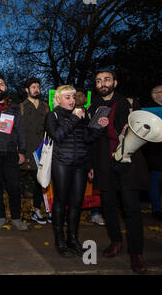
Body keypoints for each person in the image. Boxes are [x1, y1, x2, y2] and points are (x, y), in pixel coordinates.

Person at [89, 67, 150, 274]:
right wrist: (91, 165)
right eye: (98, 81)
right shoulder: (94, 106)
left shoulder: (130, 104)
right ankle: (116, 241)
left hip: (127, 163)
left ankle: (136, 252)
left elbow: (146, 133)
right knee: (108, 206)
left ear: (115, 83)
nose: (102, 84)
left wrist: (125, 129)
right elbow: (91, 139)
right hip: (104, 164)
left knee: (131, 208)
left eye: (106, 80)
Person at [46, 85, 104, 257]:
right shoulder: (52, 115)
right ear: (58, 99)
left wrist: (98, 128)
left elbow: (86, 140)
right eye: (68, 97)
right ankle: (60, 240)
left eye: (73, 97)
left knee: (76, 203)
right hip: (62, 163)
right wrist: (73, 119)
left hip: (80, 165)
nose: (72, 100)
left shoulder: (81, 115)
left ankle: (73, 239)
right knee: (60, 201)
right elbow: (57, 135)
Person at [0, 76, 28, 230]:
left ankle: (16, 218)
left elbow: (21, 131)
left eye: (2, 84)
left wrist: (22, 151)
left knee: (14, 187)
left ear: (6, 88)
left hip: (10, 152)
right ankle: (0, 217)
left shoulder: (15, 108)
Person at [19, 77, 50, 225]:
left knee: (41, 181)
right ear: (27, 90)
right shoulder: (21, 107)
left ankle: (37, 209)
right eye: (33, 87)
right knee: (17, 180)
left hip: (41, 150)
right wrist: (20, 151)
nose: (36, 89)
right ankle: (16, 212)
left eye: (37, 87)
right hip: (25, 150)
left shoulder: (45, 106)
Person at [75, 88, 105, 226]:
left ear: (86, 99)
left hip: (94, 152)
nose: (78, 98)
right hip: (77, 154)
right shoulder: (69, 114)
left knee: (96, 186)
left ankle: (95, 213)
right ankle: (74, 214)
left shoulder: (93, 113)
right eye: (75, 96)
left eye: (81, 95)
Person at [142, 85, 162, 222]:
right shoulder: (147, 111)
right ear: (154, 95)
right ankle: (157, 210)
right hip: (154, 155)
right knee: (155, 184)